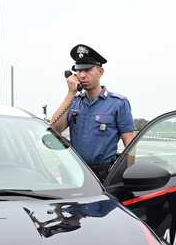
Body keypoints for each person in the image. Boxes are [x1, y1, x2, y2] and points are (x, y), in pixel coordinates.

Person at [49, 44, 135, 181]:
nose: (82, 75)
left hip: (104, 176)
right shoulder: (74, 102)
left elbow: (130, 144)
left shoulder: (118, 103)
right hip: (74, 175)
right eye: (79, 71)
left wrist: (130, 177)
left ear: (100, 72)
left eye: (87, 70)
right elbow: (53, 129)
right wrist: (70, 93)